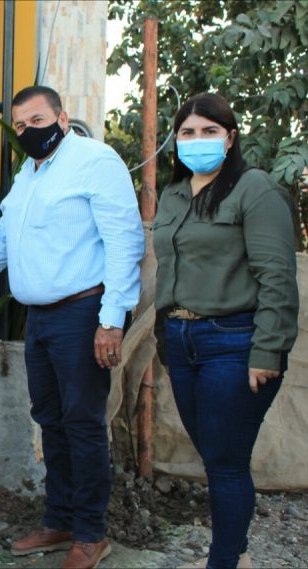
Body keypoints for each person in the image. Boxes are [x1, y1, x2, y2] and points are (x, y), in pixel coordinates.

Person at [0, 85, 144, 569]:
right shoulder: (28, 173)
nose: (28, 132)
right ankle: (60, 519)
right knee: (50, 419)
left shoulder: (95, 160)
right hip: (40, 320)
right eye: (20, 126)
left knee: (83, 425)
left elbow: (125, 242)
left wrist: (112, 320)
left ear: (62, 118)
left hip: (83, 313)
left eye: (37, 121)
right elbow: (3, 239)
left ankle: (90, 534)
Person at [153, 93, 298, 569]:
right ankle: (236, 556)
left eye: (209, 131)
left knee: (225, 461)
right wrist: (164, 336)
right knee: (214, 455)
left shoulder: (253, 189)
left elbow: (276, 277)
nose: (198, 140)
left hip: (234, 342)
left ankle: (224, 562)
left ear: (230, 137)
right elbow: (169, 270)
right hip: (180, 339)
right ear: (176, 140)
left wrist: (267, 352)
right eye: (188, 132)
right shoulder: (174, 194)